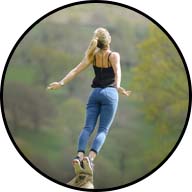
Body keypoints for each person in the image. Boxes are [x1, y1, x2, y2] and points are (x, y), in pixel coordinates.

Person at [47, 28, 131, 174]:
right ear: (109, 40)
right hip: (110, 94)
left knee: (87, 128)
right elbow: (118, 71)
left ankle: (79, 156)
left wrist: (61, 83)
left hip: (95, 94)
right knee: (103, 129)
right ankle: (90, 158)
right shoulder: (114, 55)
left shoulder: (92, 56)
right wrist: (117, 87)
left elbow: (75, 70)